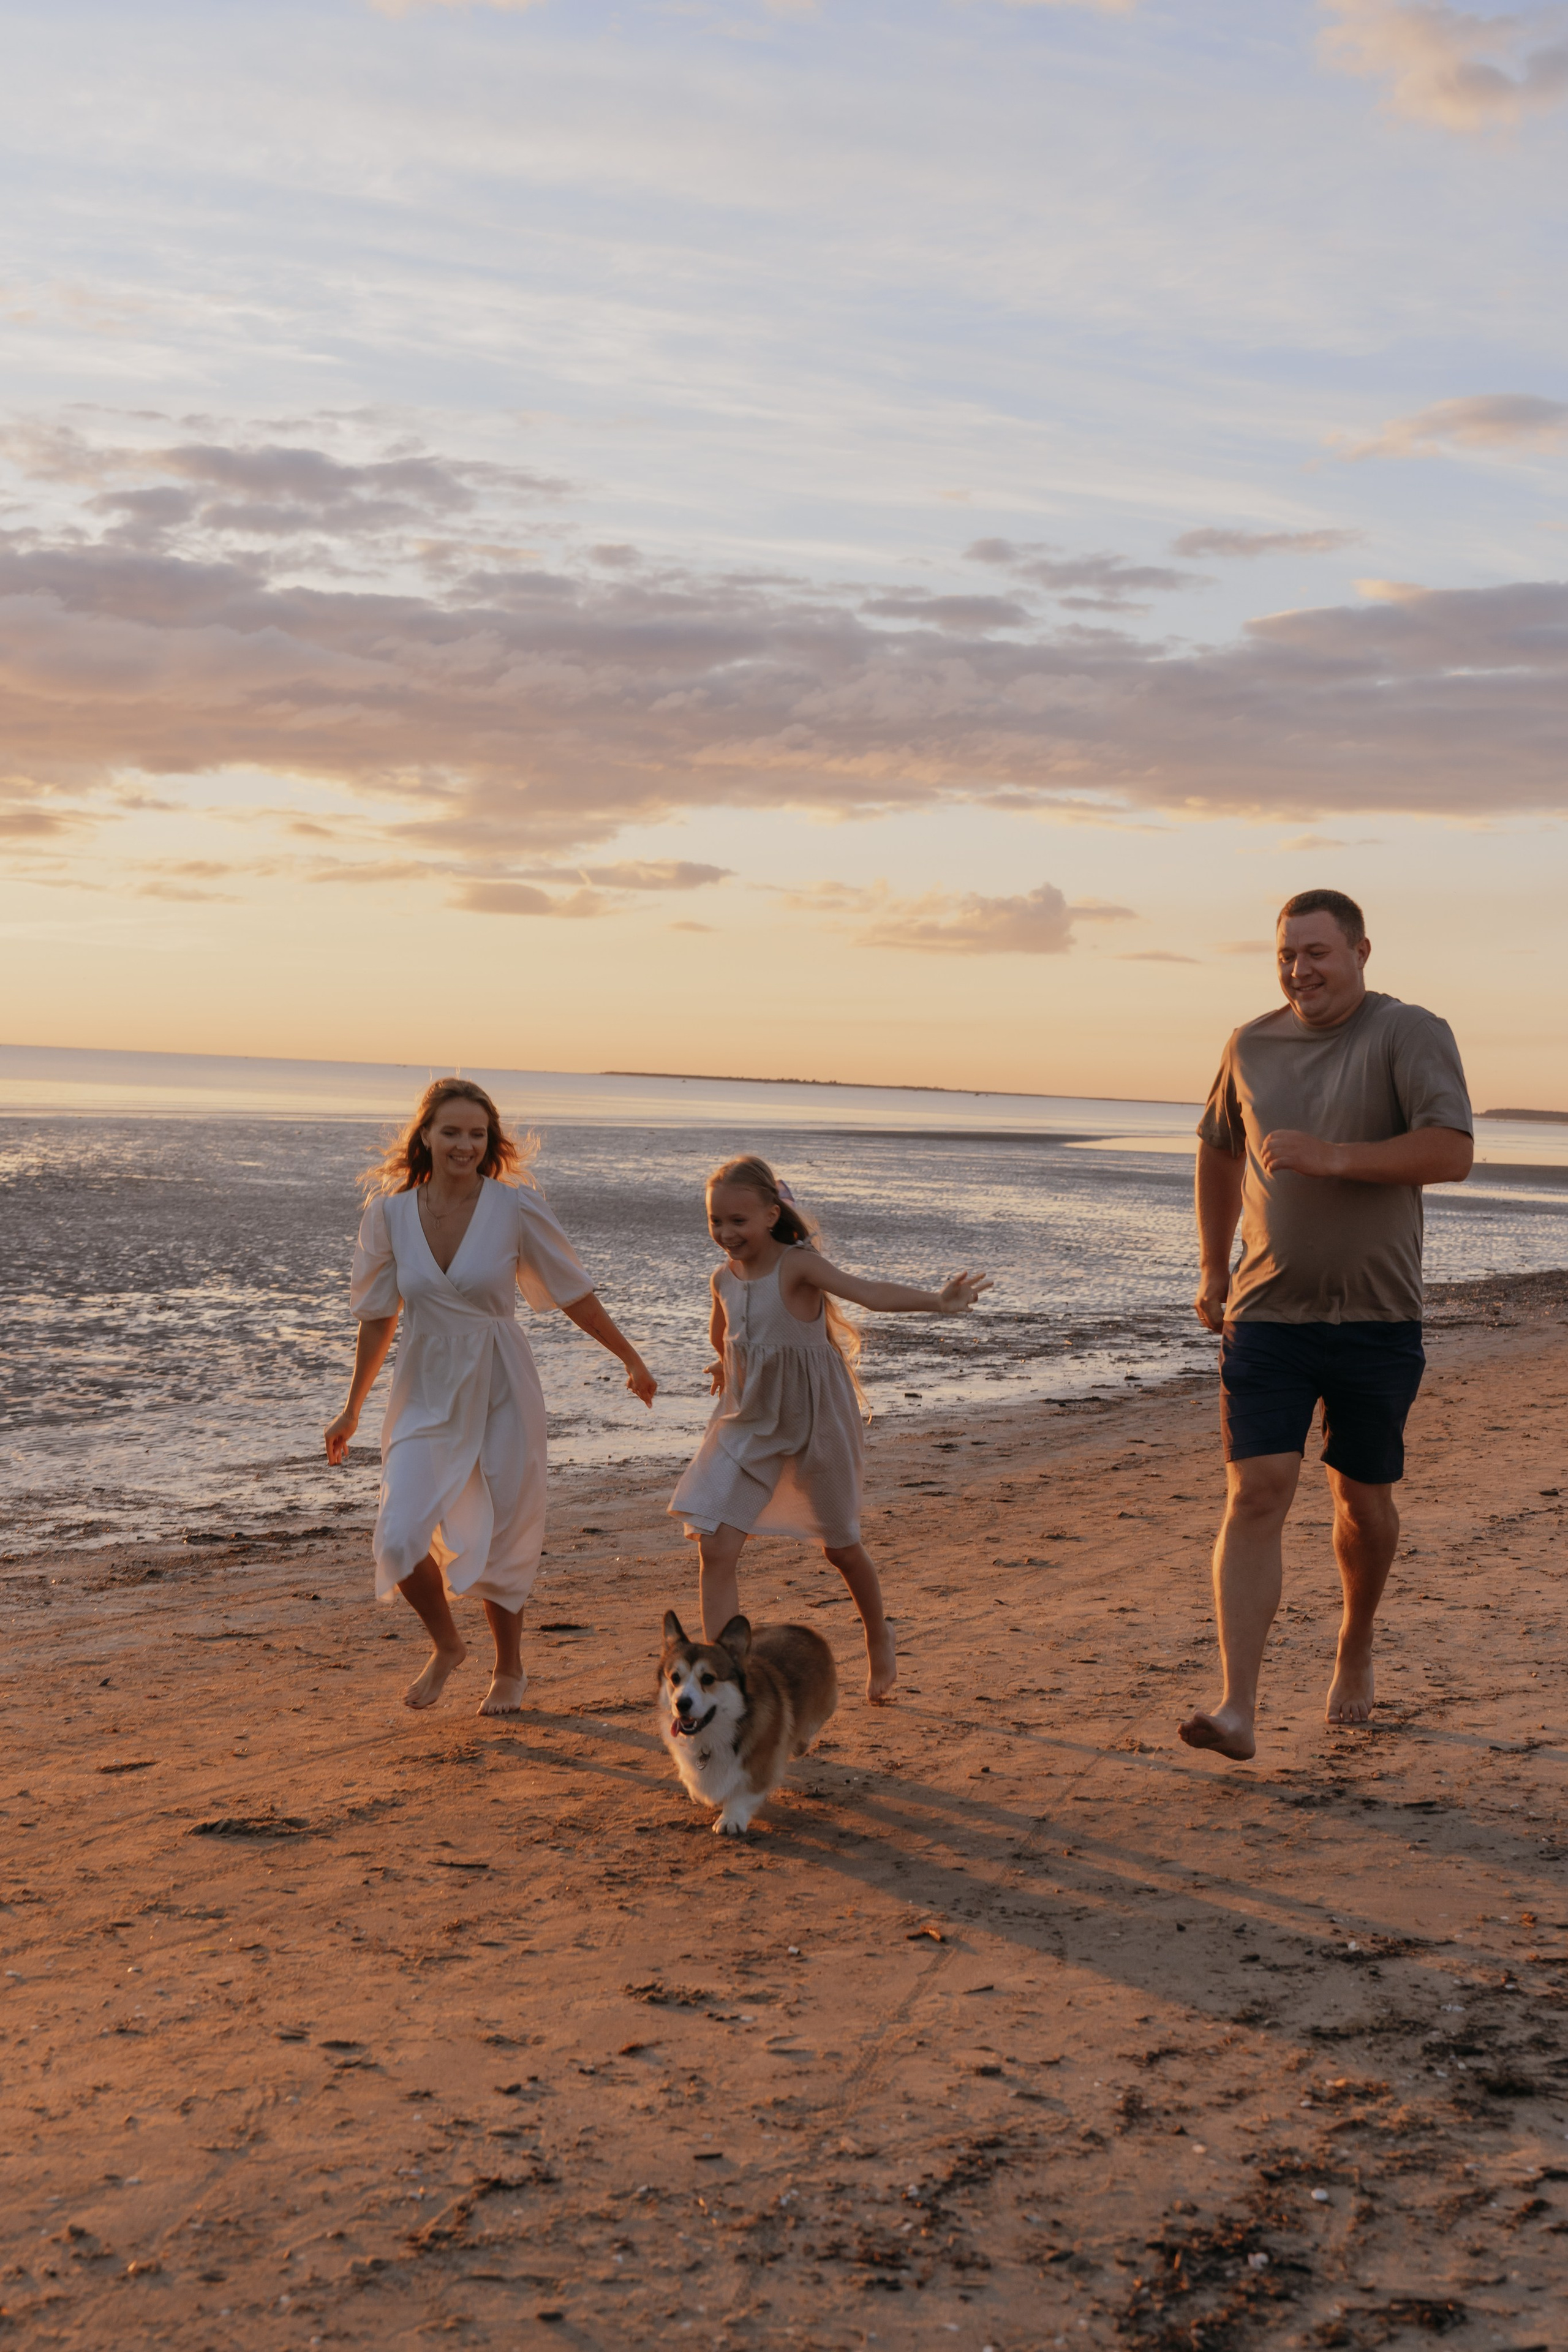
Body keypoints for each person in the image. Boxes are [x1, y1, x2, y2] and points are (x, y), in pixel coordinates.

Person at [1180, 889, 1473, 1762]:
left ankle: (1354, 1643)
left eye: (1317, 953)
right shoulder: (1249, 1043)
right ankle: (1238, 1707)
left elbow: (1451, 1150)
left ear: (1360, 951)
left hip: (1379, 1316)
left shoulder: (1408, 1033)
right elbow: (1219, 1147)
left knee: (1363, 1501)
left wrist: (1334, 1156)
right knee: (1258, 1489)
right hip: (1268, 1313)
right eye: (1287, 955)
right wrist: (1211, 1266)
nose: (1300, 970)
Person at [324, 1079, 655, 1715]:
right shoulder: (389, 1215)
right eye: (451, 1131)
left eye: (477, 1134)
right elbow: (377, 1318)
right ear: (424, 1135)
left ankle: (510, 1668)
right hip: (424, 1388)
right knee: (399, 1536)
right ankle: (448, 1646)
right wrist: (353, 1407)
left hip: (502, 1380)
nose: (465, 1145)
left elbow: (571, 1292)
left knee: (507, 1522)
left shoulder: (514, 1208)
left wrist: (630, 1358)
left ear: (490, 1140)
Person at [668, 1154, 990, 1702]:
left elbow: (868, 1292)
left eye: (738, 1221)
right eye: (715, 1222)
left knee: (840, 1548)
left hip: (816, 1420)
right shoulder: (722, 1278)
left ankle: (876, 1633)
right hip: (747, 1422)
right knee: (716, 1546)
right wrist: (725, 1365)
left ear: (772, 1215)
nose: (725, 1233)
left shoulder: (797, 1266)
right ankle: (721, 1675)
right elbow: (724, 1334)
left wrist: (937, 1302)